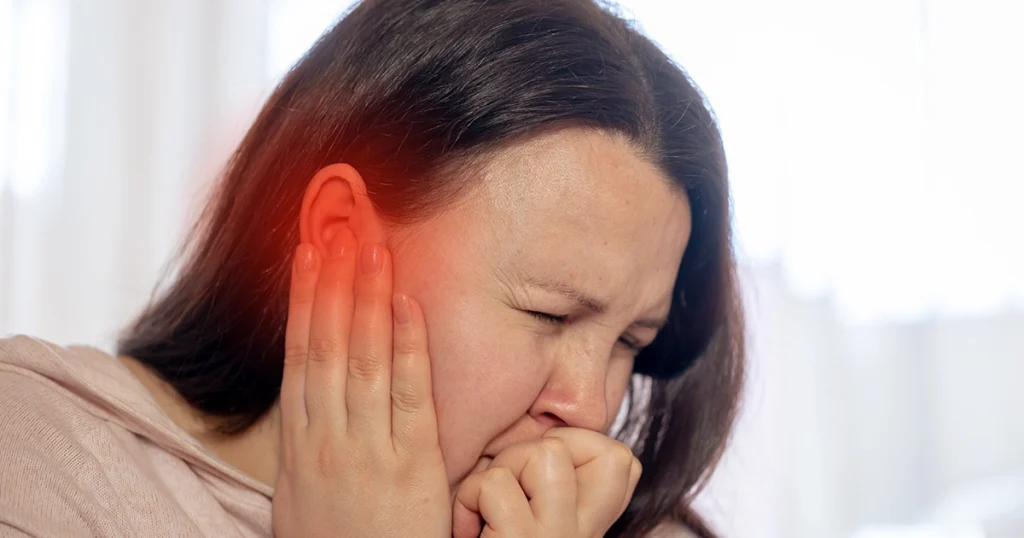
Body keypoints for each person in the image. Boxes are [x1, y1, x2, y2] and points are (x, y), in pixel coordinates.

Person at [0, 0, 744, 536]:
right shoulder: (35, 470)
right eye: (548, 313)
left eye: (630, 343)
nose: (589, 406)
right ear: (340, 234)